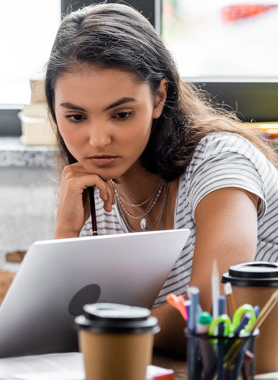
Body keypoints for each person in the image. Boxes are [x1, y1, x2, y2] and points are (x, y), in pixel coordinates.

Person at [46, 3, 278, 350]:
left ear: (159, 98)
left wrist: (99, 332)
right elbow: (52, 326)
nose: (97, 140)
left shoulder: (220, 162)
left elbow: (213, 313)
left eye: (121, 114)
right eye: (76, 117)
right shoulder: (93, 186)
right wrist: (66, 231)